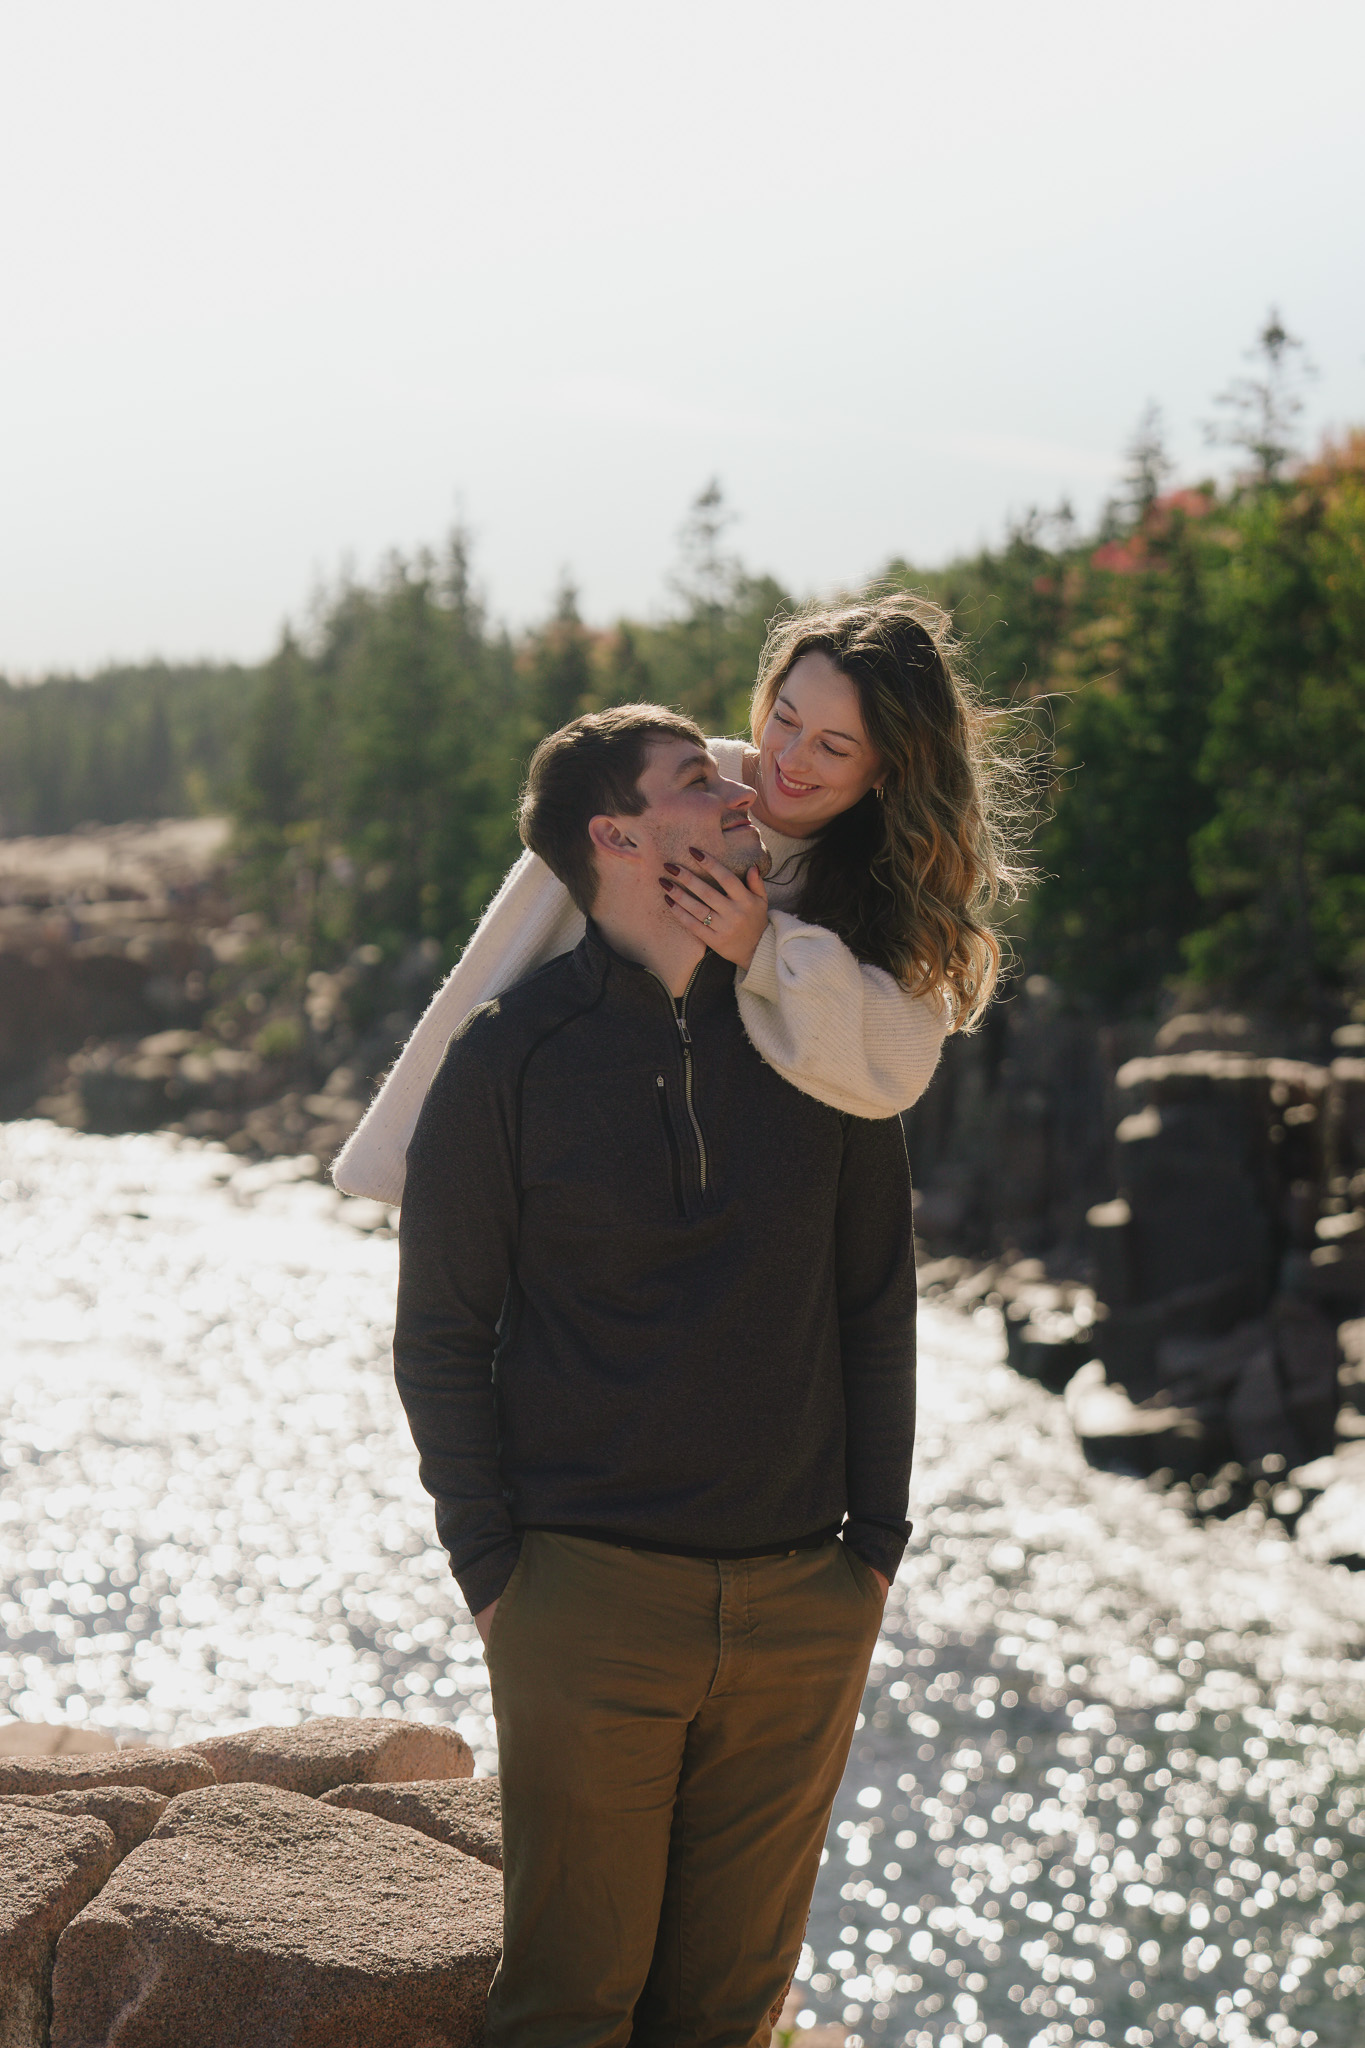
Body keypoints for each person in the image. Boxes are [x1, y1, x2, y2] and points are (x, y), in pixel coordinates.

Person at [393, 704, 918, 2045]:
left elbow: (875, 1300)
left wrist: (873, 1551)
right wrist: (498, 1578)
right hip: (587, 1600)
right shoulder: (506, 1056)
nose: (742, 790)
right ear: (617, 838)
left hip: (805, 1600)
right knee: (568, 2010)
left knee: (729, 2016)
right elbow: (441, 1331)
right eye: (698, 778)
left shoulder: (818, 1030)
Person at [334, 588, 1020, 1206]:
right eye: (784, 719)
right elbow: (502, 964)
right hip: (570, 1175)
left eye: (833, 748)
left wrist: (761, 948)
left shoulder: (890, 873)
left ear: (889, 768)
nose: (789, 759)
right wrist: (406, 1169)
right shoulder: (663, 793)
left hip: (741, 1220)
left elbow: (898, 1063)